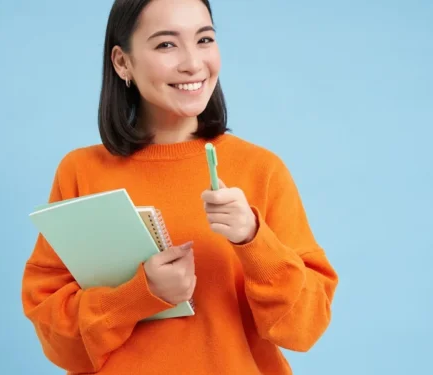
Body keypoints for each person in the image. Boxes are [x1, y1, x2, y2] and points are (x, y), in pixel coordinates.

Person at [20, 0, 339, 373]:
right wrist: (140, 295)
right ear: (122, 62)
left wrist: (254, 239)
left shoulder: (261, 169)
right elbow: (60, 345)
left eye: (204, 39)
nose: (192, 62)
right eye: (166, 44)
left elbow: (306, 328)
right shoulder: (80, 171)